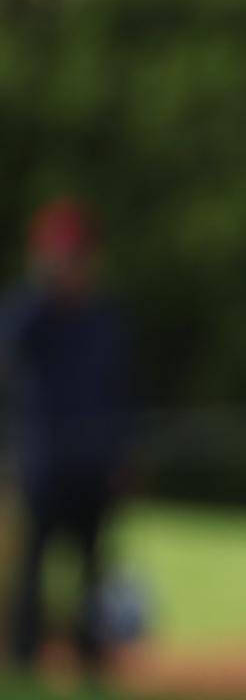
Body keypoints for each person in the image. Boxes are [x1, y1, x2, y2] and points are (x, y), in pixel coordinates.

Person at [1, 198, 132, 673]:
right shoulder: (30, 311)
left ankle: (90, 650)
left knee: (91, 566)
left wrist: (123, 454)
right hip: (42, 459)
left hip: (94, 462)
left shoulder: (104, 317)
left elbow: (122, 389)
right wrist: (41, 292)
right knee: (32, 563)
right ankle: (24, 653)